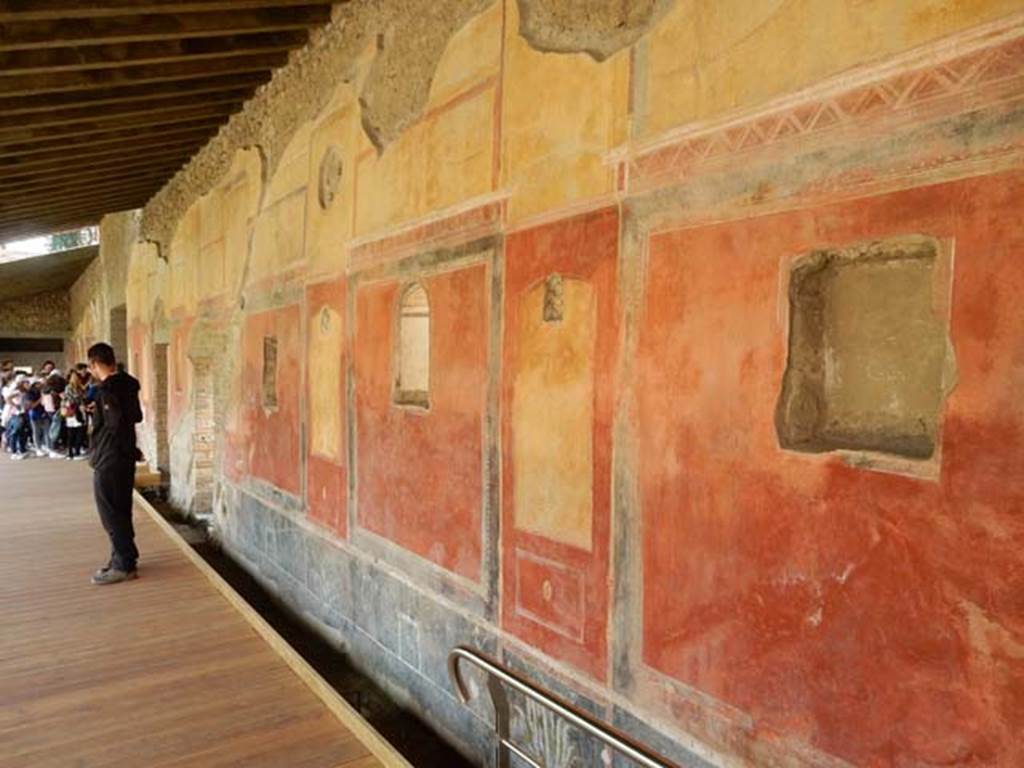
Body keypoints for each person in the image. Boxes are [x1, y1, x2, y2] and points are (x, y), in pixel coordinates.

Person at [87, 342, 143, 586]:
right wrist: (132, 450)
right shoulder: (128, 384)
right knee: (121, 509)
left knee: (110, 513)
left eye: (90, 367)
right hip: (124, 456)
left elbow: (115, 424)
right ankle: (124, 557)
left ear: (95, 364)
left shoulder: (107, 389)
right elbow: (135, 417)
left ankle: (123, 565)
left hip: (111, 457)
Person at [62, 370, 88, 460]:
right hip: (77, 411)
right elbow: (80, 399)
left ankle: (70, 453)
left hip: (70, 412)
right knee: (78, 432)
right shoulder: (78, 389)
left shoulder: (68, 388)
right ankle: (76, 451)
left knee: (71, 433)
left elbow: (66, 399)